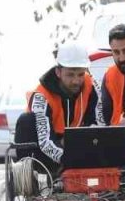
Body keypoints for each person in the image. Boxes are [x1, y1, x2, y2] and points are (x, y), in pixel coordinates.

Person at [24, 41, 100, 170]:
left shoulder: (92, 85)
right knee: (26, 121)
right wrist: (70, 161)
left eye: (81, 74)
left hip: (74, 141)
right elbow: (45, 142)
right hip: (45, 148)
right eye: (70, 75)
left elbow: (99, 125)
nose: (76, 81)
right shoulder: (41, 96)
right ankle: (35, 175)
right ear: (58, 72)